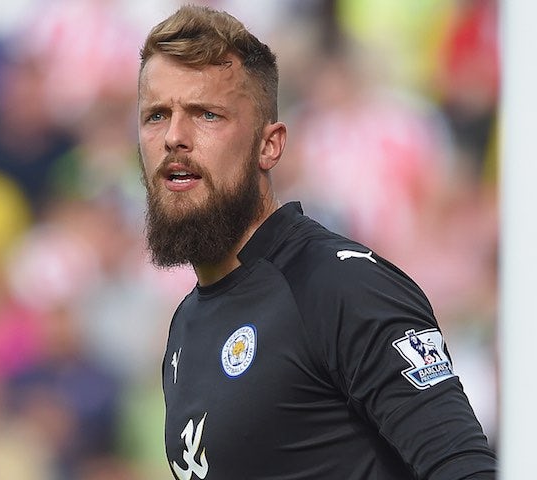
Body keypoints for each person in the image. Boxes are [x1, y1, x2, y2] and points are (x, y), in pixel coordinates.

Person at [137, 5, 496, 480]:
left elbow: (464, 469)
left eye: (207, 114)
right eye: (156, 115)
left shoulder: (340, 286)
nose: (174, 138)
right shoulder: (185, 328)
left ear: (270, 145)